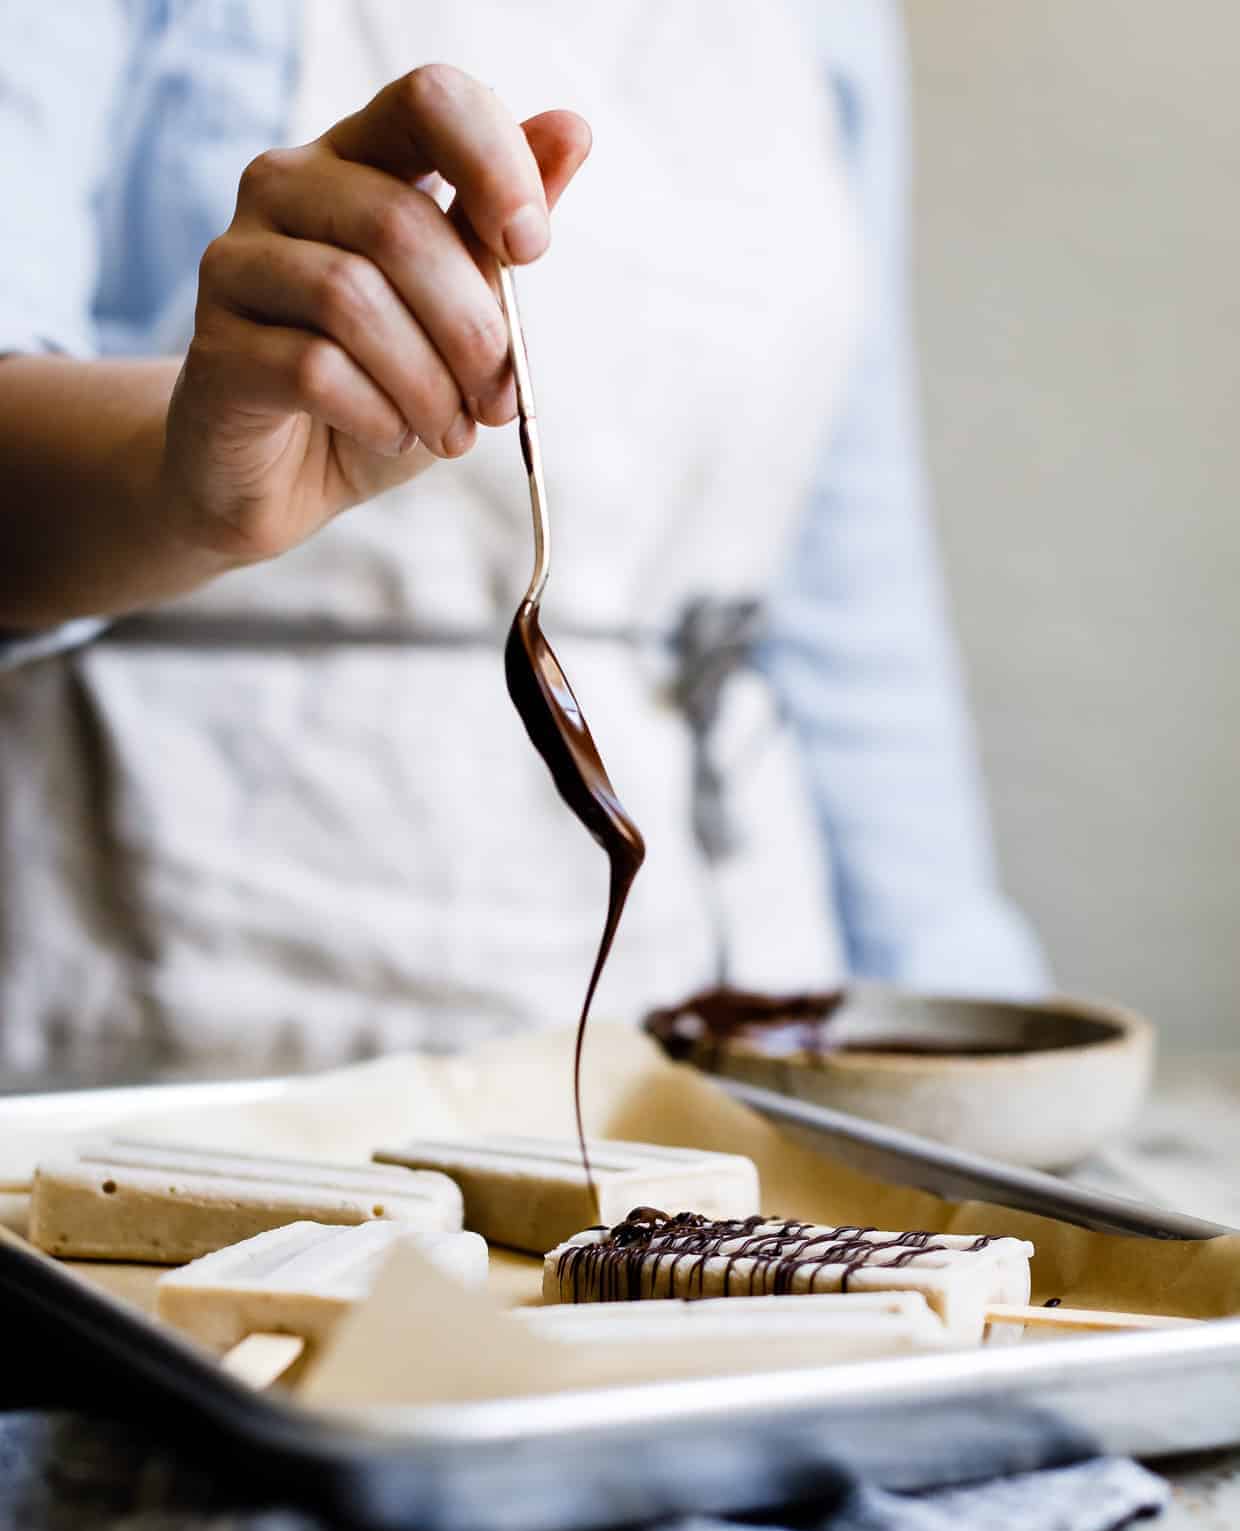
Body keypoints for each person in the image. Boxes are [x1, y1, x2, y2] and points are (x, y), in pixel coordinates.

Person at [0, 0, 1046, 1081]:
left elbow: (841, 616)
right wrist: (189, 485)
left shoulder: (834, 26)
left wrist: (981, 1045)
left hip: (719, 1014)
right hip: (184, 1009)